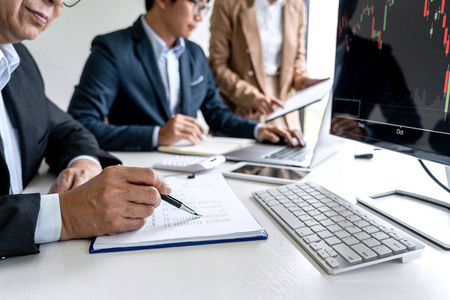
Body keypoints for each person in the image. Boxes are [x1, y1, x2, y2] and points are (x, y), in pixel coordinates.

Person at [0, 0, 170, 258]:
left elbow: (67, 128)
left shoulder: (17, 60)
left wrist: (85, 163)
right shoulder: (112, 48)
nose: (57, 3)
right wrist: (66, 215)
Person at [67, 0, 304, 152]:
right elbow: (81, 124)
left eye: (205, 7)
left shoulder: (195, 54)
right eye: (196, 4)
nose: (200, 16)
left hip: (192, 169)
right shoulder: (112, 50)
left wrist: (257, 130)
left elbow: (218, 116)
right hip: (135, 168)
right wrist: (157, 135)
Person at [208, 0, 324, 131]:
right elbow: (217, 65)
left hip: (284, 110)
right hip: (242, 110)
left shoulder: (297, 6)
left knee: (292, 149)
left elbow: (298, 57)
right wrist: (251, 98)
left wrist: (302, 80)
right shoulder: (227, 4)